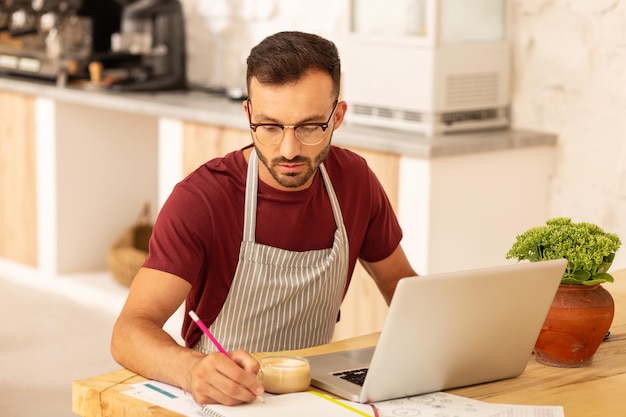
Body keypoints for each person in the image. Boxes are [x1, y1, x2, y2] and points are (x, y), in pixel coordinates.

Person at [111, 31, 417, 406]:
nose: (288, 150)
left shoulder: (355, 182)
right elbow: (129, 331)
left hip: (315, 399)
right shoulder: (202, 200)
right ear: (249, 114)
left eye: (309, 127)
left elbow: (404, 290)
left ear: (337, 116)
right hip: (225, 403)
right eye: (270, 127)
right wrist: (192, 370)